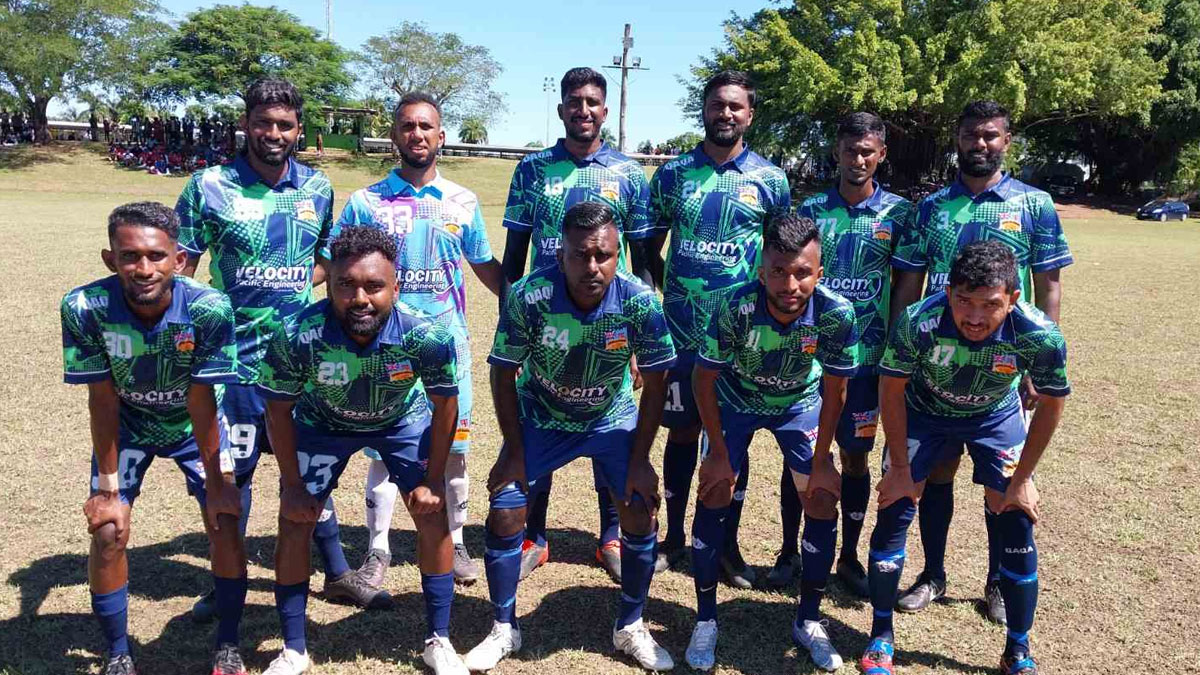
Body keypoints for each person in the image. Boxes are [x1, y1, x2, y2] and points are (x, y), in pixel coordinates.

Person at [175, 79, 376, 620]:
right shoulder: (208, 186)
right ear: (246, 123)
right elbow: (182, 270)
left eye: (284, 124)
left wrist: (294, 284)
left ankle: (338, 574)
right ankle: (226, 583)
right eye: (263, 122)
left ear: (298, 130)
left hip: (299, 361)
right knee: (232, 476)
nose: (273, 133)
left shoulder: (317, 188)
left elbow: (328, 259)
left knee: (310, 472)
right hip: (232, 363)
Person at [465, 201, 676, 672]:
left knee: (639, 506)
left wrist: (641, 459)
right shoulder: (529, 295)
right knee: (506, 508)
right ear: (561, 255)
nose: (592, 266)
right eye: (580, 255)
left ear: (618, 255)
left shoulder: (639, 300)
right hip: (542, 415)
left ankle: (630, 624)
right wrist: (513, 450)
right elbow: (502, 371)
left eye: (604, 255)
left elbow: (657, 379)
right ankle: (503, 627)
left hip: (609, 417)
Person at [890, 101, 1073, 624]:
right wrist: (904, 354)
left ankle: (996, 582)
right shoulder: (930, 207)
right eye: (971, 135)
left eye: (991, 135)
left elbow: (1047, 284)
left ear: (1006, 141)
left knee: (1001, 482)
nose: (981, 144)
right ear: (958, 139)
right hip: (935, 363)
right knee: (938, 470)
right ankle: (933, 574)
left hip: (1002, 366)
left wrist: (1035, 363)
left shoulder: (1034, 204)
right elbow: (909, 284)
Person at [257, 226, 466, 675]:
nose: (360, 299)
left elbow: (446, 406)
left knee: (433, 515)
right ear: (328, 283)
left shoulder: (425, 334)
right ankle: (293, 648)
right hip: (321, 424)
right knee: (294, 520)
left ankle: (440, 640)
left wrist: (433, 481)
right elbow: (277, 410)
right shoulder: (297, 333)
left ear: (396, 285)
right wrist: (292, 485)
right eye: (345, 285)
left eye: (374, 286)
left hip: (400, 422)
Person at [861, 240, 1069, 675]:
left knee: (1016, 515)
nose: (974, 316)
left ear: (1013, 298)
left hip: (994, 416)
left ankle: (1017, 649)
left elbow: (1052, 404)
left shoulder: (1039, 334)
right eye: (963, 301)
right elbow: (891, 389)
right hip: (924, 413)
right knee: (895, 505)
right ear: (947, 292)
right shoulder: (918, 321)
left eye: (990, 304)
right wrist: (900, 469)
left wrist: (1022, 479)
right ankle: (881, 635)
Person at [61, 202, 249, 675]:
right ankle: (118, 653)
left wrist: (217, 481)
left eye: (156, 256)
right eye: (129, 256)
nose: (143, 269)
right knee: (108, 530)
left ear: (179, 260)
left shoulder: (208, 308)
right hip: (128, 425)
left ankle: (228, 645)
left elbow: (203, 403)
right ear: (110, 260)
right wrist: (108, 490)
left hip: (192, 425)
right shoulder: (84, 307)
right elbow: (103, 399)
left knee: (225, 519)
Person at [333, 91, 503, 590]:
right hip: (384, 351)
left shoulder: (462, 201)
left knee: (454, 451)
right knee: (384, 454)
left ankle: (457, 540)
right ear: (394, 135)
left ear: (441, 136)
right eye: (407, 126)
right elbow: (337, 268)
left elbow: (485, 267)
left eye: (426, 126)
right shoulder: (365, 202)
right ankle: (377, 549)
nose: (417, 134)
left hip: (447, 349)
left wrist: (528, 303)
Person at [499, 67, 654, 582]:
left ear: (604, 110)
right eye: (574, 101)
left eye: (591, 102)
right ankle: (533, 536)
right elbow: (513, 259)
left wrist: (640, 341)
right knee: (539, 417)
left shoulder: (629, 173)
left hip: (611, 322)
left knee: (607, 421)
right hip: (543, 323)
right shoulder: (532, 169)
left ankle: (611, 536)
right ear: (561, 108)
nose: (582, 110)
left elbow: (644, 263)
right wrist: (510, 332)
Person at [684, 214, 858, 671]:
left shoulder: (837, 313)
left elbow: (836, 391)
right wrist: (718, 453)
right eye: (778, 271)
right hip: (735, 400)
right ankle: (705, 620)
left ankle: (808, 620)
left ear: (819, 273)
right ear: (761, 271)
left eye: (802, 272)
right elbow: (704, 379)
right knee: (715, 489)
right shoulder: (734, 305)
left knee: (821, 496)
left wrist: (823, 459)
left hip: (799, 403)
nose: (790, 284)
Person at [646, 70, 791, 586]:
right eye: (716, 104)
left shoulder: (771, 180)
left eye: (735, 106)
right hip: (682, 333)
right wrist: (672, 298)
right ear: (704, 109)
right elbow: (648, 249)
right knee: (683, 430)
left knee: (731, 440)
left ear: (749, 114)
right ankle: (673, 537)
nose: (725, 113)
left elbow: (781, 257)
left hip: (741, 340)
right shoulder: (673, 174)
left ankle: (726, 544)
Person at [772, 113, 916, 592]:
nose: (858, 159)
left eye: (867, 151)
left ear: (881, 155)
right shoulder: (811, 210)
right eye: (850, 150)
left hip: (867, 364)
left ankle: (849, 557)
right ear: (837, 152)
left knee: (855, 457)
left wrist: (897, 346)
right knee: (801, 456)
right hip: (809, 361)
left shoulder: (898, 214)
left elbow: (906, 286)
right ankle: (789, 551)